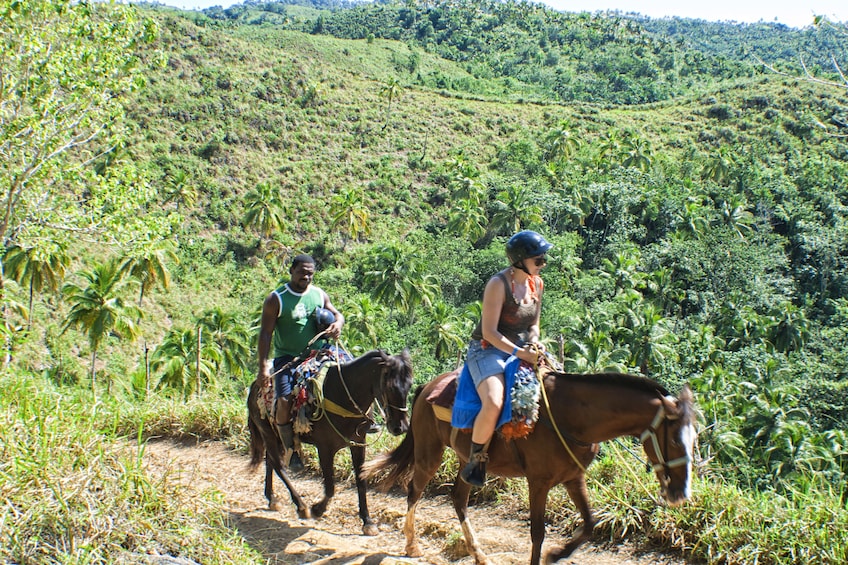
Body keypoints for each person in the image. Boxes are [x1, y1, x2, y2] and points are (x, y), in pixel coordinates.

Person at [460, 230, 553, 487]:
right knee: (493, 400)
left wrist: (534, 341)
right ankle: (476, 460)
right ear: (520, 260)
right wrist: (520, 353)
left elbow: (534, 323)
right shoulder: (498, 284)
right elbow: (490, 332)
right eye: (539, 260)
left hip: (522, 345)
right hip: (487, 349)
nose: (543, 263)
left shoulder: (537, 283)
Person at [258, 254, 344, 471]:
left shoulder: (318, 294)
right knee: (285, 400)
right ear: (291, 270)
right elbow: (265, 334)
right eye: (302, 272)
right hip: (289, 359)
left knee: (353, 375)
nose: (306, 276)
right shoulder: (276, 299)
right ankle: (291, 448)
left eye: (310, 273)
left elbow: (337, 314)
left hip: (320, 353)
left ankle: (361, 423)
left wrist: (338, 324)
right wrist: (262, 368)